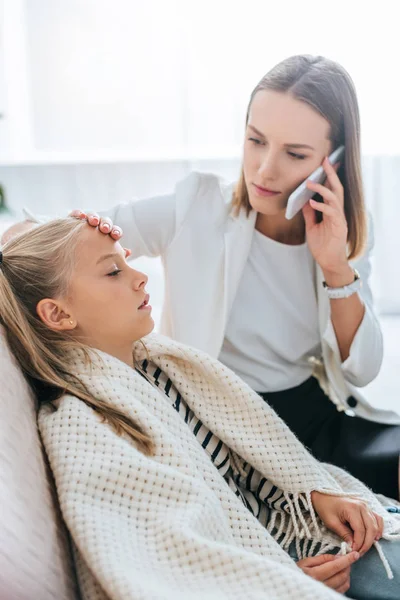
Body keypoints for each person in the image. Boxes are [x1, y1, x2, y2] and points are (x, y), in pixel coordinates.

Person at [4, 55, 400, 499]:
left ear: (336, 159)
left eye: (295, 154)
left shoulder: (343, 229)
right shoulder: (196, 206)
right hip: (224, 423)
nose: (265, 170)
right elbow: (44, 235)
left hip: (313, 414)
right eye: (256, 141)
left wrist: (334, 265)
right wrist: (24, 237)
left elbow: (363, 369)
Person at [0, 217, 400, 600]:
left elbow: (237, 467)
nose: (139, 276)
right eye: (113, 272)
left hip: (289, 525)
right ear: (58, 314)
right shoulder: (82, 423)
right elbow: (157, 563)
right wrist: (284, 584)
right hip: (271, 566)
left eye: (127, 261)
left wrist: (313, 495)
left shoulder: (158, 369)